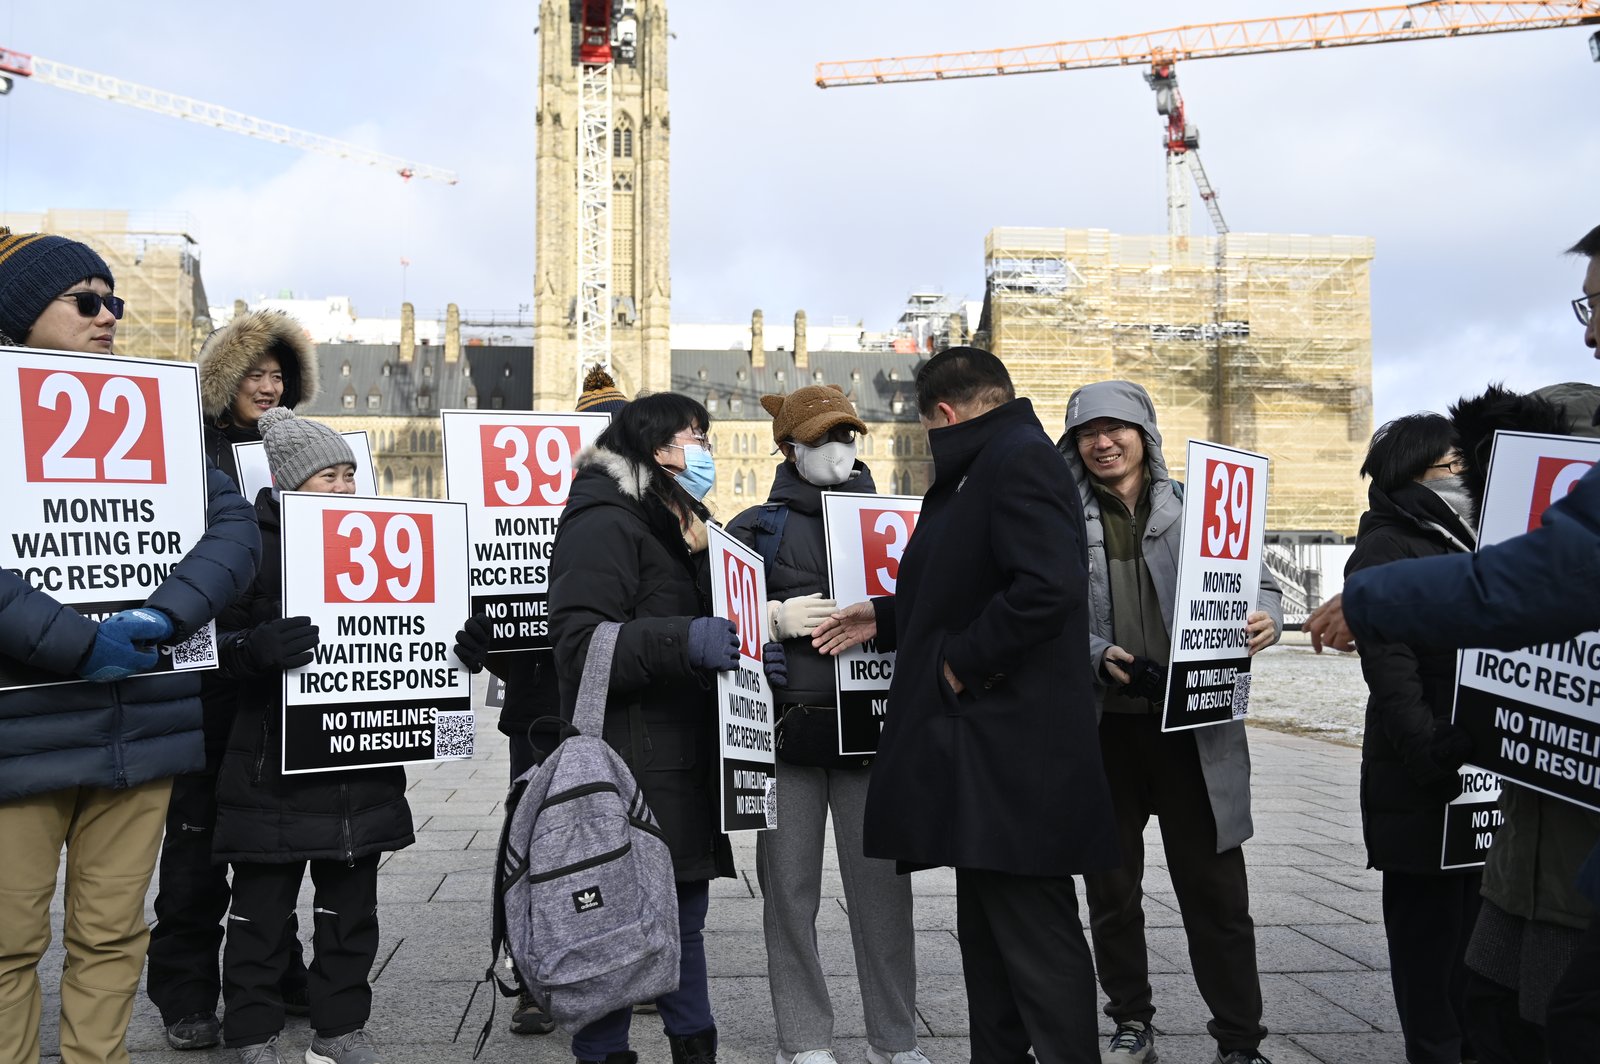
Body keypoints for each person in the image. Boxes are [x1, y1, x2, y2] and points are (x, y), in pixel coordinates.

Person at [1304, 228, 1600, 1063]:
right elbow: (1407, 673)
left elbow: (1525, 588)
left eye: (1596, 304)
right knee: (1465, 983)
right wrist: (1445, 748)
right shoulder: (1397, 543)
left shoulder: (1490, 546)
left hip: (1531, 826)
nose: (1588, 330)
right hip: (1454, 800)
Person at [814, 347, 1119, 1064]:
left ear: (945, 414)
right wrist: (886, 619)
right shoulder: (987, 465)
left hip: (1013, 757)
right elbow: (967, 583)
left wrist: (959, 665)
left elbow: (1048, 587)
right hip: (986, 754)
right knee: (990, 946)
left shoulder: (1016, 459)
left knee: (1037, 945)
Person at [0, 228, 262, 1064]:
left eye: (113, 298)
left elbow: (230, 530)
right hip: (22, 726)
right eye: (85, 299)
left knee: (114, 934)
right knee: (6, 943)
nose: (108, 312)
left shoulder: (151, 409)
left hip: (142, 718)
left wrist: (166, 617)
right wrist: (77, 645)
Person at [1055, 381, 1281, 1064]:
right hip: (1103, 729)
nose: (1103, 442)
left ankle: (1240, 1040)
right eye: (1087, 431)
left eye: (1115, 428)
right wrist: (1094, 654)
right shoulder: (1056, 518)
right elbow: (1042, 609)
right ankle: (1131, 1020)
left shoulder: (1202, 508)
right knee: (1112, 892)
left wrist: (1266, 611)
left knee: (1216, 894)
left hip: (1193, 729)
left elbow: (1258, 580)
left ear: (1144, 433)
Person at [725, 385, 928, 1064]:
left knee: (885, 899)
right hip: (789, 735)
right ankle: (804, 1041)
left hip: (873, 734)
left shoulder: (901, 523)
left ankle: (895, 1040)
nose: (838, 450)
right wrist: (769, 623)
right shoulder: (755, 526)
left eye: (847, 436)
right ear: (789, 449)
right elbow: (718, 621)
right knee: (789, 894)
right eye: (821, 439)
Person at [212, 407, 413, 1064]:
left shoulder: (383, 541)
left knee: (350, 914)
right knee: (261, 915)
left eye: (349, 473)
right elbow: (206, 648)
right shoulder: (246, 544)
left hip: (359, 765)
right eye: (329, 475)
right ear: (289, 481)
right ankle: (252, 1031)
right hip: (272, 764)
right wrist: (254, 647)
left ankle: (341, 1026)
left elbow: (417, 632)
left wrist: (458, 648)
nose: (344, 486)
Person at [547, 392, 741, 1064]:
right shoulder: (603, 522)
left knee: (684, 926)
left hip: (682, 760)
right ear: (657, 447)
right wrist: (682, 640)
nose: (705, 448)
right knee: (615, 933)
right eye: (694, 435)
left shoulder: (683, 521)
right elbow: (578, 643)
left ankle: (695, 1050)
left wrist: (754, 647)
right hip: (631, 759)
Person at [149, 308, 319, 1049]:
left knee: (271, 839)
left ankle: (278, 969)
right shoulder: (189, 453)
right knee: (194, 845)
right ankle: (186, 993)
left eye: (280, 374)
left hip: (278, 674)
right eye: (256, 372)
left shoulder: (308, 456)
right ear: (225, 380)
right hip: (207, 677)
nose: (270, 384)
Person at [452, 365, 630, 1037]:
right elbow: (499, 609)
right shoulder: (534, 506)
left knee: (618, 837)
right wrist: (482, 646)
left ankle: (618, 960)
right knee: (532, 842)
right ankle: (528, 976)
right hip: (538, 704)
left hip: (618, 700)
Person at [1343, 413, 1480, 1064]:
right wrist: (1433, 753)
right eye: (1454, 464)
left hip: (1475, 775)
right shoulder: (1387, 544)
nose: (1465, 473)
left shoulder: (1470, 536)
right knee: (1428, 952)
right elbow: (1391, 672)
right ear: (1416, 468)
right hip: (1422, 776)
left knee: (1476, 948)